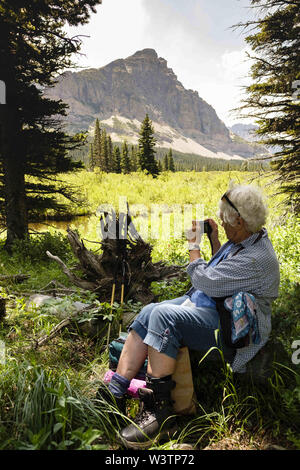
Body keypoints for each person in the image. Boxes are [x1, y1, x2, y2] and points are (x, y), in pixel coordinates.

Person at [103, 184, 280, 449]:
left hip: (236, 331)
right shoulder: (246, 239)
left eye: (226, 221)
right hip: (219, 309)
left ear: (240, 221)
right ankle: (115, 391)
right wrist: (215, 240)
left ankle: (158, 413)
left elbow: (206, 281)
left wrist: (193, 247)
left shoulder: (257, 257)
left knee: (163, 315)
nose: (221, 222)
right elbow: (225, 275)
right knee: (150, 311)